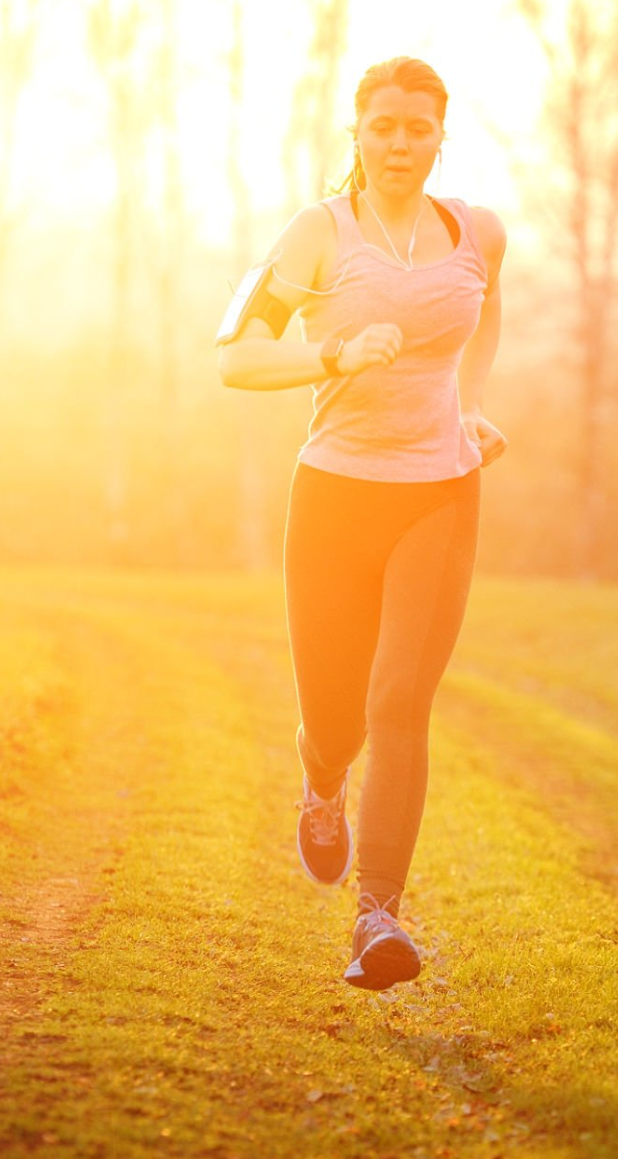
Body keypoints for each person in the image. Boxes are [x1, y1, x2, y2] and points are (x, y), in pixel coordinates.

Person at [215, 56, 507, 991]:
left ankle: (377, 914)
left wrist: (466, 407)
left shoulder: (478, 232)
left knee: (399, 703)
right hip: (334, 494)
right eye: (383, 126)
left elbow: (483, 320)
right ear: (357, 132)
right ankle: (321, 777)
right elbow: (237, 360)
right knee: (338, 714)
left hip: (439, 492)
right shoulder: (318, 232)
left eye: (418, 128)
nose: (399, 144)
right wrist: (335, 351)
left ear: (439, 137)